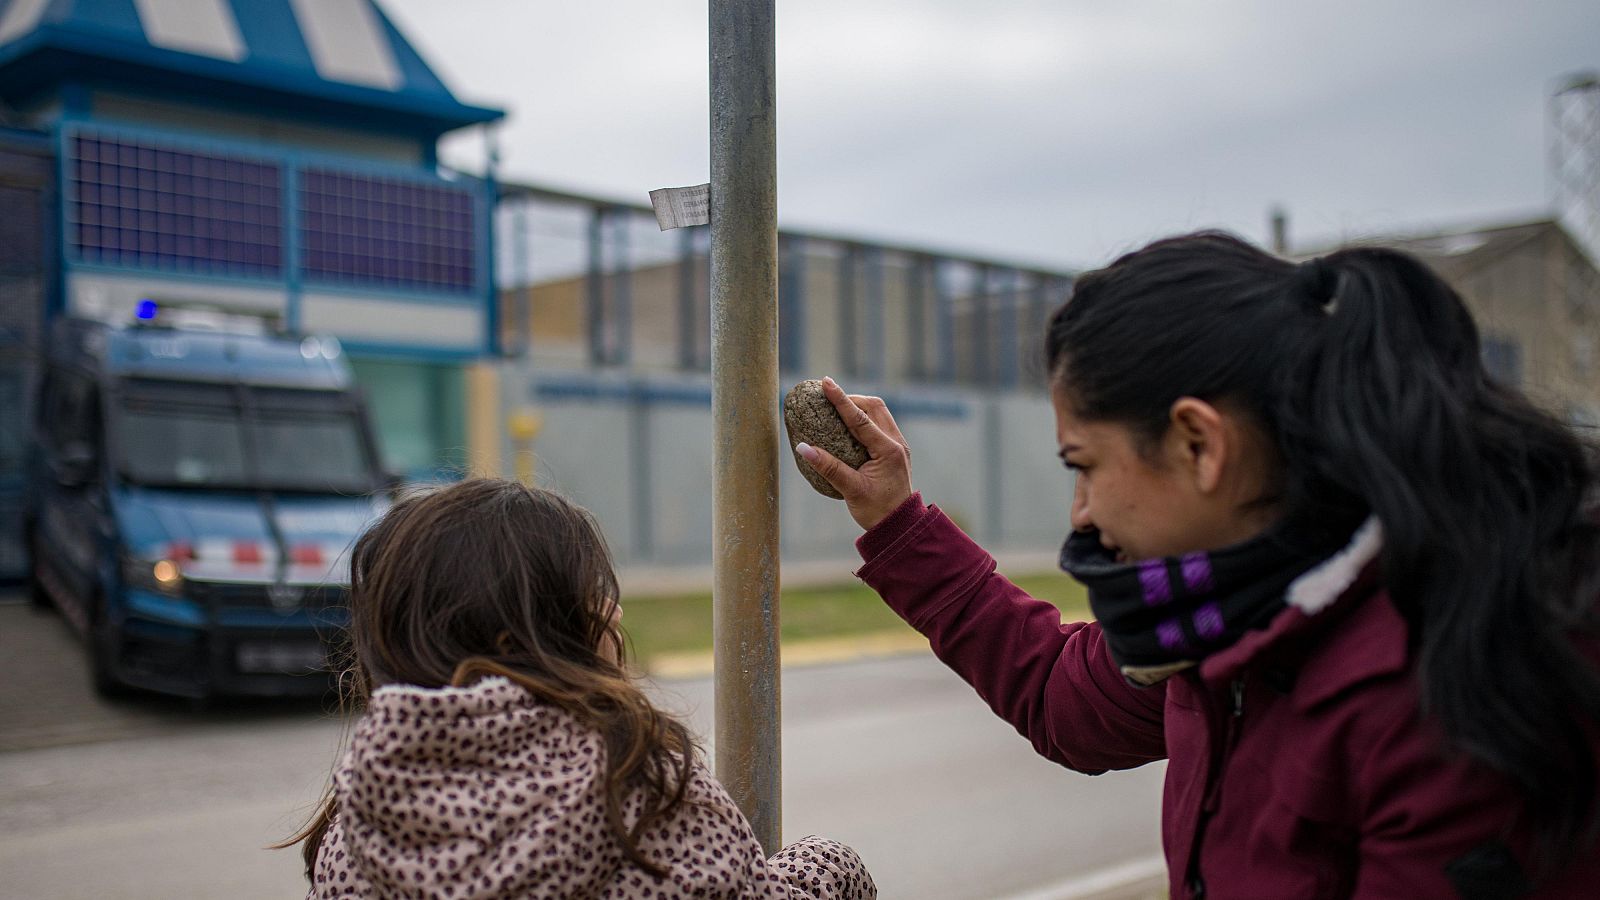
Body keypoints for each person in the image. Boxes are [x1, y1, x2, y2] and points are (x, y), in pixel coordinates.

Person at [795, 231, 1600, 898]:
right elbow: (1061, 698)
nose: (1083, 514)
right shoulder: (1234, 610)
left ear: (1198, 444)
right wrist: (898, 523)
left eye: (1084, 464)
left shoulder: (1449, 693)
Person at [286, 478, 875, 899]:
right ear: (532, 634)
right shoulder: (644, 801)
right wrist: (832, 864)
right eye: (590, 596)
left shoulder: (355, 832)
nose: (614, 613)